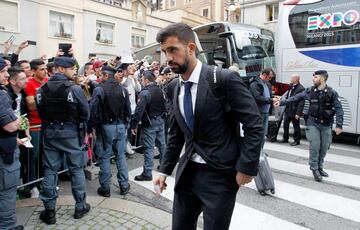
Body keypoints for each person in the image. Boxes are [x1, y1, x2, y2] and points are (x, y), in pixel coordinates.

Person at [153, 23, 263, 230]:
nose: (167, 58)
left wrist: (246, 167)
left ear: (191, 48)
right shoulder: (174, 86)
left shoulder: (224, 79)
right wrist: (164, 170)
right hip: (188, 174)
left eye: (173, 50)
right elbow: (176, 132)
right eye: (164, 51)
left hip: (220, 175)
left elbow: (254, 124)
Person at [35, 57, 91, 225]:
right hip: (71, 134)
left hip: (51, 133)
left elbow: (41, 113)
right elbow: (85, 113)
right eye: (70, 68)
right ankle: (80, 206)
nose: (74, 70)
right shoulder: (74, 89)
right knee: (76, 170)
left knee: (50, 170)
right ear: (60, 68)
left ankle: (49, 210)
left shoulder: (41, 89)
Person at [274, 70, 343, 182]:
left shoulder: (332, 93)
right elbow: (295, 98)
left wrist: (339, 124)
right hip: (312, 123)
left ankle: (320, 167)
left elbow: (339, 109)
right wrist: (281, 102)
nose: (313, 79)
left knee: (324, 147)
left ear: (322, 78)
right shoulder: (309, 91)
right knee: (315, 146)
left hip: (326, 124)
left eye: (315, 77)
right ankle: (314, 168)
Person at [88, 65, 131, 197]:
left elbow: (92, 110)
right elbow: (128, 110)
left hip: (107, 126)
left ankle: (105, 188)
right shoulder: (122, 89)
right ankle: (124, 185)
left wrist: (91, 127)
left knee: (105, 157)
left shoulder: (99, 89)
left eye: (102, 75)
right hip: (120, 125)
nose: (100, 77)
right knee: (120, 156)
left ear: (106, 76)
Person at [130, 70, 167, 181]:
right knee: (162, 145)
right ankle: (164, 167)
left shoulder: (144, 93)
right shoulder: (160, 90)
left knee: (149, 148)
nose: (142, 81)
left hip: (150, 123)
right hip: (160, 120)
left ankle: (147, 173)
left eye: (142, 80)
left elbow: (139, 111)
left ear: (146, 80)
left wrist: (134, 125)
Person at [0, 58, 23, 230]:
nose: (7, 74)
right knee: (7, 193)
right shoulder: (1, 96)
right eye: (3, 71)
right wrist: (19, 120)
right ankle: (7, 226)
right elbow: (9, 126)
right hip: (4, 154)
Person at [24, 58, 49, 198]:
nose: (45, 71)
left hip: (45, 124)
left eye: (46, 69)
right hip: (33, 126)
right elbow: (31, 106)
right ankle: (32, 186)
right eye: (42, 69)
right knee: (33, 156)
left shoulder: (47, 82)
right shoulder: (29, 84)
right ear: (33, 71)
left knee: (44, 155)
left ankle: (43, 182)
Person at [249, 68, 278, 147]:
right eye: (269, 77)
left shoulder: (267, 84)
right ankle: (257, 152)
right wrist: (272, 100)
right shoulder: (254, 84)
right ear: (264, 75)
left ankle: (261, 151)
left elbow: (268, 95)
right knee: (258, 133)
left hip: (266, 112)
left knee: (264, 133)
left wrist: (275, 97)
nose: (270, 79)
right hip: (258, 112)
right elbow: (258, 98)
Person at [278, 74, 305, 146]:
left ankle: (297, 140)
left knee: (296, 126)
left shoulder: (301, 88)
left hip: (295, 110)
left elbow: (301, 102)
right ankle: (285, 138)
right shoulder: (290, 85)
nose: (290, 79)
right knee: (285, 124)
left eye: (292, 78)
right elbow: (287, 96)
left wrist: (298, 113)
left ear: (296, 79)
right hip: (287, 109)